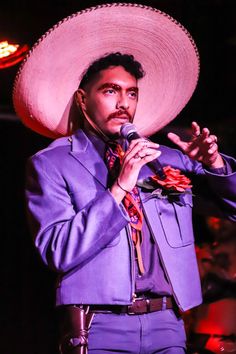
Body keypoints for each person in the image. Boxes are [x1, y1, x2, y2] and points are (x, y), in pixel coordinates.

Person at [13, 4, 236, 354]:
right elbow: (57, 250)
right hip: (100, 325)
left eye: (131, 93)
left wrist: (215, 163)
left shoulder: (163, 159)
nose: (124, 103)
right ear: (82, 99)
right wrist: (119, 187)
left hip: (168, 322)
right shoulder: (52, 164)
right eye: (110, 91)